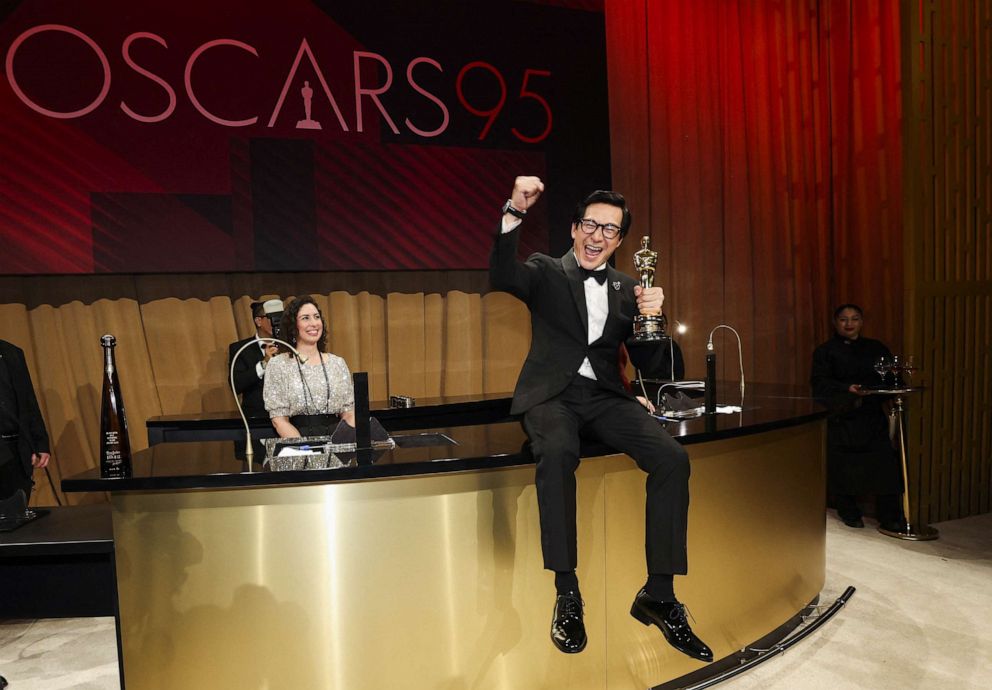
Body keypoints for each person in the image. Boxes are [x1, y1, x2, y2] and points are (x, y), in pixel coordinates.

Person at [489, 176, 712, 661]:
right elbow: (503, 275)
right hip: (552, 396)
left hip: (607, 398)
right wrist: (515, 210)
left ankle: (659, 594)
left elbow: (660, 370)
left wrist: (657, 321)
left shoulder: (629, 288)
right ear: (574, 229)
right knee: (558, 450)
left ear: (619, 241)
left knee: (672, 458)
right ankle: (567, 592)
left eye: (609, 231)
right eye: (590, 225)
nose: (597, 236)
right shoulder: (546, 270)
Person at [810, 304, 904, 530]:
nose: (849, 324)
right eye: (844, 319)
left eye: (854, 319)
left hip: (871, 416)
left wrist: (888, 388)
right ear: (836, 322)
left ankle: (890, 517)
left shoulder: (876, 348)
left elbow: (890, 377)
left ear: (862, 322)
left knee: (884, 465)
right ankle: (849, 511)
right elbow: (820, 384)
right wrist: (847, 389)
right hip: (843, 417)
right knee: (843, 467)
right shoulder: (825, 351)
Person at [263, 296, 355, 438]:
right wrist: (304, 450)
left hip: (338, 442)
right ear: (293, 326)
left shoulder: (338, 363)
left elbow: (349, 413)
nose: (314, 323)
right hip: (297, 441)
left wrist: (340, 445)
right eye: (305, 318)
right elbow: (279, 420)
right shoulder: (278, 365)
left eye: (316, 317)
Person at [0, 339, 50, 507]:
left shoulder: (12, 352)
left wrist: (40, 442)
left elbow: (28, 400)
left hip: (18, 450)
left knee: (18, 517)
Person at [228, 300, 282, 419]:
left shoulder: (290, 346)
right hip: (257, 418)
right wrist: (264, 363)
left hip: (290, 417)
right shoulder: (241, 348)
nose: (278, 321)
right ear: (258, 321)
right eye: (272, 317)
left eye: (281, 316)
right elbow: (236, 384)